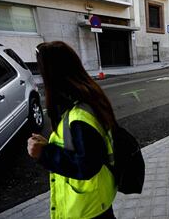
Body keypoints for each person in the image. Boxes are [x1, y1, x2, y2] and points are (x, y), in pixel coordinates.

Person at [27, 41, 117, 218]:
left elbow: (87, 165)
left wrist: (44, 153)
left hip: (87, 209)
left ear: (52, 75)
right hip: (94, 203)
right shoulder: (86, 99)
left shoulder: (79, 117)